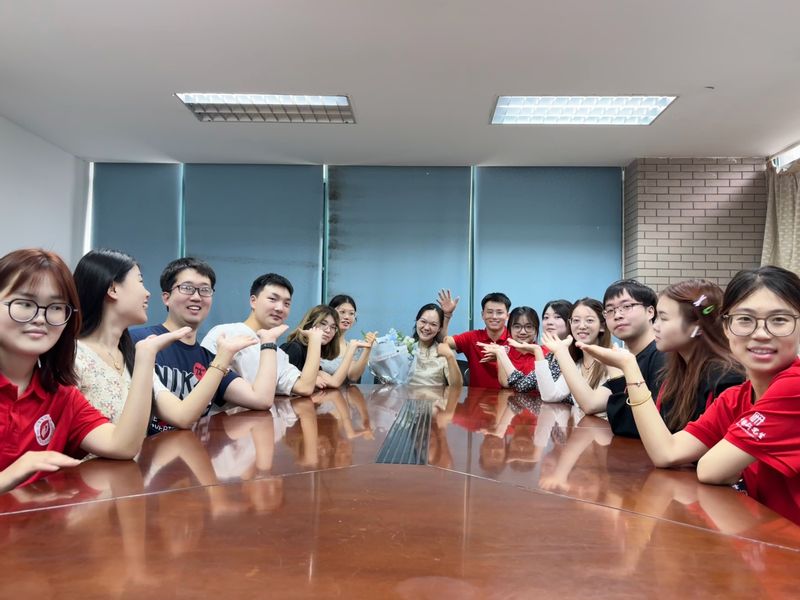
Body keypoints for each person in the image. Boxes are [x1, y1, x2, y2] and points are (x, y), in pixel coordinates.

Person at [581, 267, 800, 524]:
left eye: (779, 320)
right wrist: (629, 366)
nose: (761, 333)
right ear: (726, 326)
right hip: (766, 535)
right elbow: (667, 453)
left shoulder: (792, 386)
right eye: (745, 319)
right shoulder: (736, 398)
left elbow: (710, 469)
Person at [0, 248, 187, 493]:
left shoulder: (61, 394)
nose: (40, 318)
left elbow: (123, 446)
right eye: (25, 303)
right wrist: (12, 474)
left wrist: (144, 358)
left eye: (55, 307)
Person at [73, 249, 258, 430]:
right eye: (140, 282)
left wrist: (226, 357)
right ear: (113, 289)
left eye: (204, 290)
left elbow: (182, 416)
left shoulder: (134, 353)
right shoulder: (74, 356)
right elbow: (114, 443)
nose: (147, 293)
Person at [129, 257, 285, 435]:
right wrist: (221, 359)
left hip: (193, 448)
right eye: (187, 288)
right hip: (150, 449)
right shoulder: (140, 342)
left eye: (205, 290)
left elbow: (262, 400)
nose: (197, 297)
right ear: (166, 297)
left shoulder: (209, 358)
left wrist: (268, 341)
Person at [560, 279, 667, 437]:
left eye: (627, 306)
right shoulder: (626, 358)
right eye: (610, 310)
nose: (617, 315)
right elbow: (590, 404)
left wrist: (618, 372)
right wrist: (561, 352)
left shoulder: (664, 356)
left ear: (650, 311)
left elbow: (639, 427)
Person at [202, 273, 322, 398]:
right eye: (272, 299)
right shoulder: (223, 333)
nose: (280, 308)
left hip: (262, 410)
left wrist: (315, 340)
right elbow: (201, 382)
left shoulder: (279, 355)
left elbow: (304, 387)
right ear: (253, 301)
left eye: (286, 304)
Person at [534, 298, 621, 416]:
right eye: (576, 320)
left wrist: (561, 352)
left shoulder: (614, 358)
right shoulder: (577, 364)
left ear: (602, 326)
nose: (582, 326)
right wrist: (538, 352)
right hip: (582, 426)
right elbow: (550, 395)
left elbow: (591, 406)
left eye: (589, 320)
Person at [481, 300, 573, 401]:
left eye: (557, 317)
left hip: (561, 408)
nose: (523, 332)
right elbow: (521, 385)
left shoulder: (569, 353)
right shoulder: (551, 355)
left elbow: (549, 395)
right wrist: (501, 353)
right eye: (546, 317)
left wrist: (537, 351)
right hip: (530, 405)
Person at [280, 305, 368, 388]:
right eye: (323, 323)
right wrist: (304, 380)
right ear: (309, 324)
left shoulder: (313, 351)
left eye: (333, 327)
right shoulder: (294, 348)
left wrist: (351, 348)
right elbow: (278, 382)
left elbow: (334, 382)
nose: (328, 330)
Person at [440, 289, 511, 388]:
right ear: (482, 315)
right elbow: (444, 341)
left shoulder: (515, 340)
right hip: (476, 397)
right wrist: (447, 315)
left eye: (499, 312)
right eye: (489, 312)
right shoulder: (472, 337)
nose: (494, 316)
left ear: (507, 316)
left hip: (508, 397)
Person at [406, 303, 462, 386]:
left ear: (439, 328)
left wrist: (450, 356)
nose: (426, 328)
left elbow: (456, 386)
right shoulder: (405, 350)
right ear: (417, 321)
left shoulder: (444, 353)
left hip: (435, 394)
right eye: (423, 321)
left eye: (433, 324)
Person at [328, 294, 377, 383]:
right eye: (342, 312)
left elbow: (353, 377)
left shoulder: (353, 346)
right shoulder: (321, 343)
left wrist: (368, 347)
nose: (347, 317)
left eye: (351, 313)